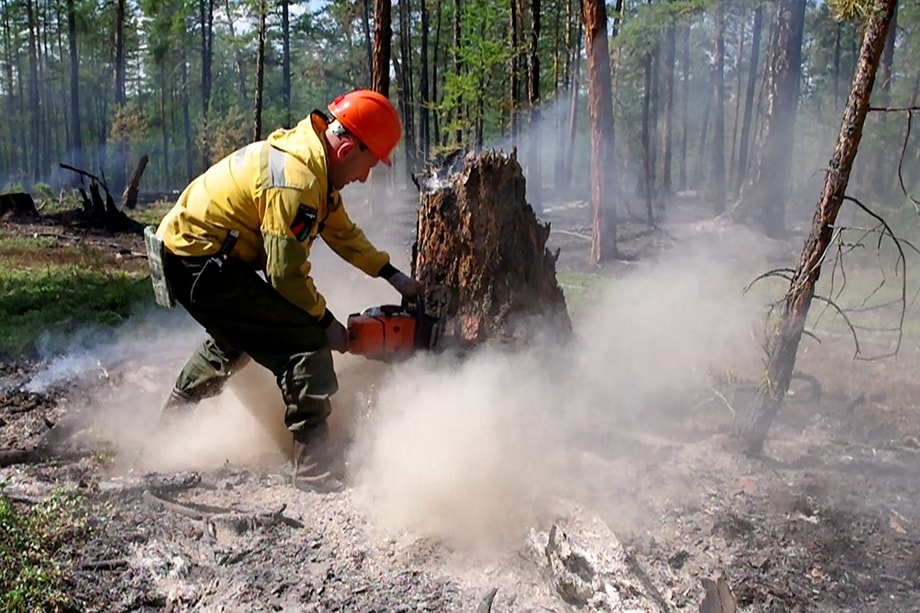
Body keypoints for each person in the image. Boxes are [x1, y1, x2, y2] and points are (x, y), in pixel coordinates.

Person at [152, 89, 422, 493]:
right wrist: (326, 324)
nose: (364, 177)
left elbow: (343, 233)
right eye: (367, 166)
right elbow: (285, 276)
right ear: (347, 148)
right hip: (199, 262)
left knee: (237, 336)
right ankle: (314, 467)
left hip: (195, 254)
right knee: (304, 341)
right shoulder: (297, 181)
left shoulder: (311, 161)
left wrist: (391, 274)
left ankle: (167, 428)